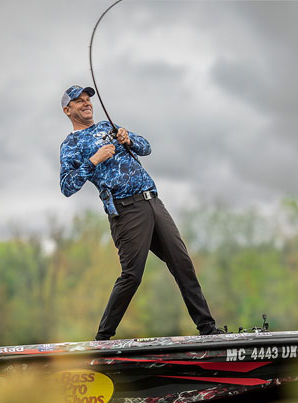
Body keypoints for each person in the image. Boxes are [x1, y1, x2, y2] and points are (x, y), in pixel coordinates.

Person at [60, 85, 222, 340]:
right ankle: (102, 338)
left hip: (153, 203)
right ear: (68, 110)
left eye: (87, 99)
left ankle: (208, 330)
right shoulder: (71, 144)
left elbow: (146, 148)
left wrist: (128, 139)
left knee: (183, 265)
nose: (86, 103)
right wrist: (95, 160)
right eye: (79, 101)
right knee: (132, 276)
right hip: (126, 211)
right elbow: (66, 186)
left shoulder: (108, 128)